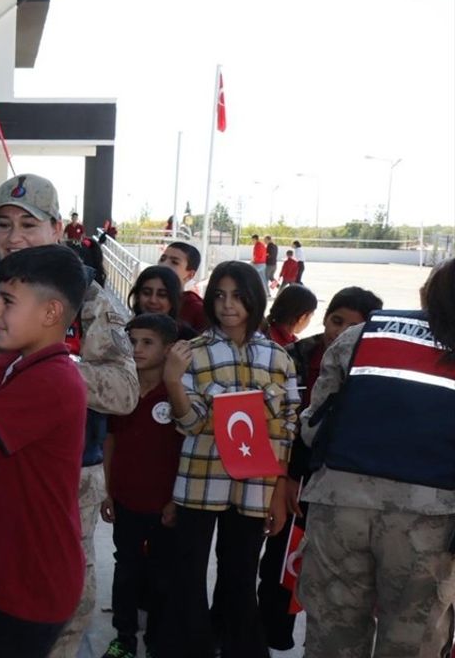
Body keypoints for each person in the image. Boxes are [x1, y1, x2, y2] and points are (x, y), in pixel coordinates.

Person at [0, 173, 139, 658]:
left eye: (28, 224)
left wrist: (46, 367)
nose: (14, 237)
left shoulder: (87, 299)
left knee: (60, 615)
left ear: (57, 228)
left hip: (65, 481)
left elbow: (124, 391)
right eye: (4, 224)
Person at [297, 260, 455, 657]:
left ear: (426, 294)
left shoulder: (362, 335)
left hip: (339, 508)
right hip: (430, 523)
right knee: (411, 642)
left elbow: (313, 429)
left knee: (332, 636)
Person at [0, 245, 89, 657]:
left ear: (51, 313)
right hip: (11, 573)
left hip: (31, 584)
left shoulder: (51, 379)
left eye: (7, 301)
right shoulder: (23, 366)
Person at [160, 260, 299, 658]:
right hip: (200, 481)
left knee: (239, 577)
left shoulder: (279, 358)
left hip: (255, 486)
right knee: (187, 577)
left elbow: (285, 430)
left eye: (238, 296)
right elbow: (190, 424)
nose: (227, 305)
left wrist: (277, 493)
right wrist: (172, 380)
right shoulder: (190, 353)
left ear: (256, 299)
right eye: (219, 295)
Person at [254, 286, 382, 652]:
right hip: (293, 479)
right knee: (280, 562)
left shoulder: (374, 371)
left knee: (336, 577)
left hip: (342, 487)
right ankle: (272, 637)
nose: (339, 332)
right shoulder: (295, 356)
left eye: (351, 327)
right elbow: (284, 424)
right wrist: (287, 478)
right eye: (335, 320)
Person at [100, 313, 184, 658]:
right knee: (126, 570)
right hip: (126, 500)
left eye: (147, 342)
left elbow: (186, 450)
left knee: (163, 576)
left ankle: (156, 642)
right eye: (132, 341)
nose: (137, 349)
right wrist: (107, 491)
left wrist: (176, 499)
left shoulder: (177, 392)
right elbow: (110, 441)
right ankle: (124, 638)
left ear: (168, 349)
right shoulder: (122, 388)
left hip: (164, 504)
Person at [128, 264, 197, 341]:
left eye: (162, 295)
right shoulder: (125, 333)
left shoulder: (189, 340)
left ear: (174, 299)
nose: (153, 300)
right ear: (138, 296)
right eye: (146, 293)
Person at [159, 241, 207, 332]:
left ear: (189, 275)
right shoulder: (146, 299)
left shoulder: (197, 309)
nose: (164, 264)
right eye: (162, 259)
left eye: (174, 262)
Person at [261, 284, 317, 348]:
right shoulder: (288, 347)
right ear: (302, 318)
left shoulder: (262, 331)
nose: (309, 321)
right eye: (310, 317)